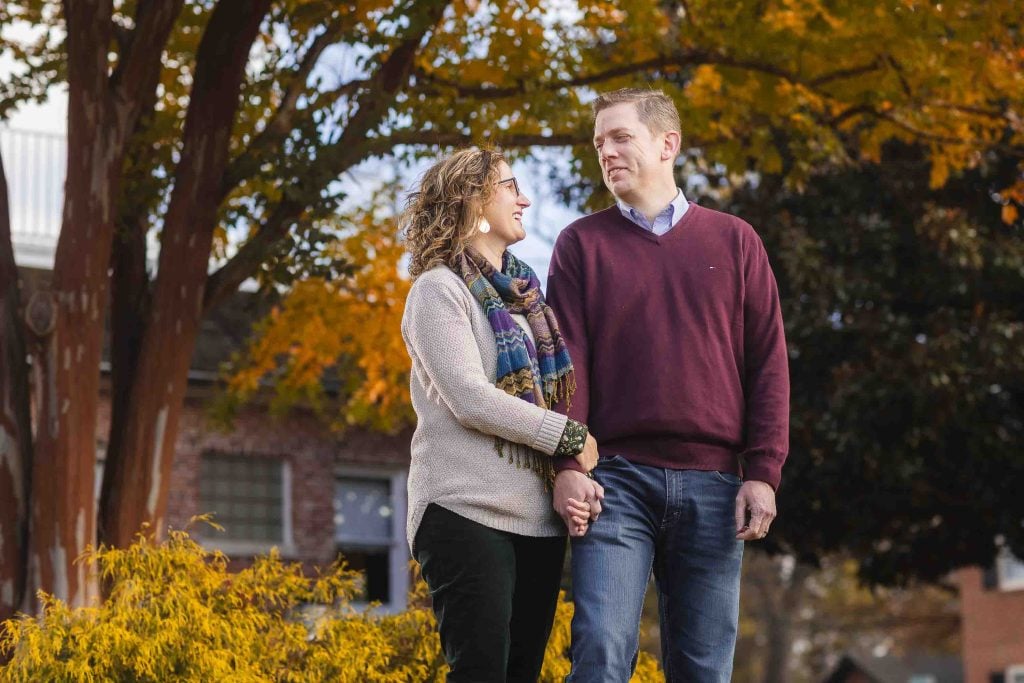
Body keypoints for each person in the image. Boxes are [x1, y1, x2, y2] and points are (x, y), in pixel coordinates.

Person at [545, 88, 790, 682]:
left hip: (714, 485)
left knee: (704, 668)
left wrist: (762, 473)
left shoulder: (736, 242)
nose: (607, 151)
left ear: (667, 144)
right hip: (615, 482)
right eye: (599, 141)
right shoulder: (581, 245)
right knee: (601, 649)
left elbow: (768, 364)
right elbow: (563, 366)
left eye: (620, 136)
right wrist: (568, 465)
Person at [400, 147, 599, 682]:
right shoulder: (437, 290)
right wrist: (567, 435)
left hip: (536, 520)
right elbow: (467, 394)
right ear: (473, 202)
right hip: (464, 510)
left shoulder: (528, 299)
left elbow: (555, 386)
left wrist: (568, 468)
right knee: (481, 671)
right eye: (511, 187)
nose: (525, 199)